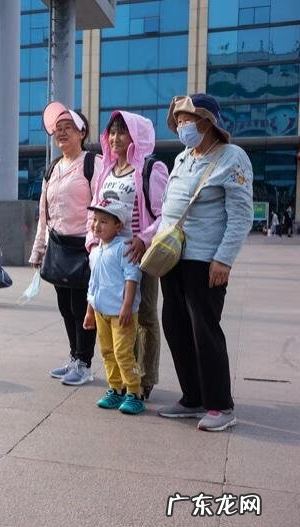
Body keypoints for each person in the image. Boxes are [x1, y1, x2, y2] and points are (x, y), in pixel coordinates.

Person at [157, 94, 253, 432]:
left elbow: (241, 216)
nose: (182, 125)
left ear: (207, 122)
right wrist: (148, 239)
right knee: (175, 325)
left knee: (204, 329)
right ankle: (192, 396)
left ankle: (220, 405)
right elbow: (170, 207)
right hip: (172, 257)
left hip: (206, 260)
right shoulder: (182, 158)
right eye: (179, 120)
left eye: (188, 119)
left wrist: (223, 259)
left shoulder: (232, 157)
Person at [89, 110, 168, 399]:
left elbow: (164, 215)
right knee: (116, 315)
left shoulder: (151, 169)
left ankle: (145, 380)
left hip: (139, 254)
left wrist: (143, 239)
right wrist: (93, 243)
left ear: (136, 136)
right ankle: (124, 377)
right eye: (112, 132)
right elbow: (96, 210)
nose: (116, 138)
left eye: (123, 132)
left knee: (144, 316)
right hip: (109, 255)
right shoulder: (107, 170)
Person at [30, 102, 101, 386]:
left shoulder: (91, 163)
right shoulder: (53, 168)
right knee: (63, 305)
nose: (61, 134)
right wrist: (39, 249)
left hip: (84, 246)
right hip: (58, 246)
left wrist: (96, 244)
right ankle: (74, 356)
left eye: (68, 128)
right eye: (58, 130)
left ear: (81, 132)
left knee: (80, 306)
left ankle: (84, 362)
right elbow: (43, 214)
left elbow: (99, 205)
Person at [83, 199, 145, 415]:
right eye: (94, 220)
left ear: (118, 226)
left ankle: (135, 392)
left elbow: (132, 277)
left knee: (123, 352)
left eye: (104, 221)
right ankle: (115, 388)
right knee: (108, 351)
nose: (96, 226)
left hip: (121, 313)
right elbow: (94, 282)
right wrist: (90, 310)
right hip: (101, 311)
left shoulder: (124, 247)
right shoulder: (96, 250)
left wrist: (127, 305)